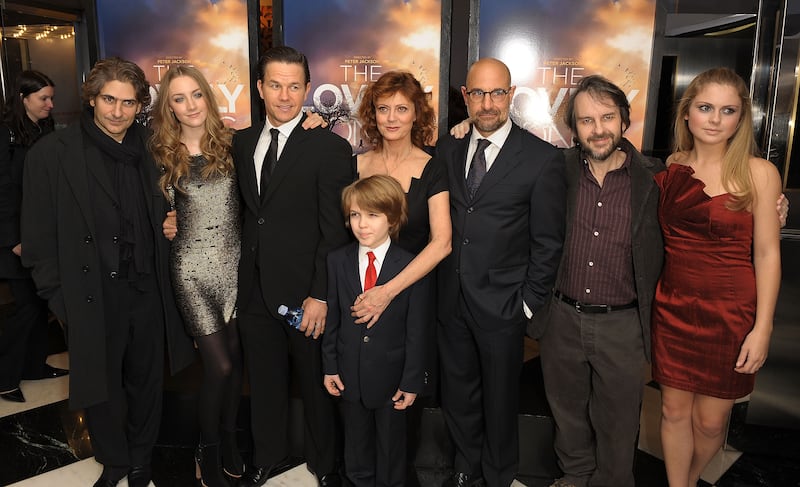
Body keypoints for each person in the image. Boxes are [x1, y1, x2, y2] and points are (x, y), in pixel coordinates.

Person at [20, 57, 195, 487]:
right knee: (100, 387)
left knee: (146, 382)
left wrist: (170, 223)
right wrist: (58, 299)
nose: (117, 112)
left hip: (147, 288)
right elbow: (38, 235)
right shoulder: (52, 154)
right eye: (108, 100)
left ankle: (140, 460)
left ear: (140, 105)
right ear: (92, 98)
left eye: (128, 103)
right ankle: (114, 459)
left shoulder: (155, 148)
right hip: (88, 292)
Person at [436, 58, 566, 487]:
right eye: (478, 93)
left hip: (505, 304)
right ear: (465, 97)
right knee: (458, 394)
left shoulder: (542, 158)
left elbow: (548, 242)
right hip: (450, 299)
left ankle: (497, 474)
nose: (487, 103)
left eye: (496, 93)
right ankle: (464, 465)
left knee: (499, 398)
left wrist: (527, 304)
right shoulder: (449, 148)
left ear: (511, 95)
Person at [529, 75, 664, 487]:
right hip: (562, 319)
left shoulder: (656, 179)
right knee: (566, 413)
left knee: (619, 423)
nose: (598, 128)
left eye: (607, 117)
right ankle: (574, 477)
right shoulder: (557, 169)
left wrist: (771, 203)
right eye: (586, 120)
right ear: (574, 128)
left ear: (624, 120)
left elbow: (708, 206)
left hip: (623, 326)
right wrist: (465, 125)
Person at [652, 67, 781, 487]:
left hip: (730, 315)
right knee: (672, 411)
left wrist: (762, 329)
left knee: (710, 423)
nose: (714, 119)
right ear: (687, 113)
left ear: (740, 118)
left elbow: (767, 255)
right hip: (672, 308)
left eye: (727, 110)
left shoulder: (759, 173)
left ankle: (688, 480)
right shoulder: (671, 167)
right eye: (705, 108)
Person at [233, 46, 352, 487]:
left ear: (307, 89)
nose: (285, 96)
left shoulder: (330, 148)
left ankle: (325, 465)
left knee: (317, 384)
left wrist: (320, 294)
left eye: (295, 86)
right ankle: (267, 455)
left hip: (307, 293)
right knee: (263, 382)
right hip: (255, 290)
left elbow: (335, 232)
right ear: (261, 88)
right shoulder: (241, 142)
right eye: (276, 85)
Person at [150, 65, 243, 487]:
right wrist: (167, 223)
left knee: (235, 363)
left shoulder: (235, 144)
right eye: (178, 98)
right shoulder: (159, 153)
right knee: (219, 367)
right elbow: (150, 215)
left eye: (195, 95)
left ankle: (228, 436)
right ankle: (207, 449)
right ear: (168, 107)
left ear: (208, 96)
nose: (189, 106)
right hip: (190, 270)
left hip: (236, 267)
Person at [323, 174, 430, 487]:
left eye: (372, 215)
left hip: (392, 382)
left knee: (391, 458)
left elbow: (417, 329)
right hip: (349, 377)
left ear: (393, 218)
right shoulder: (337, 261)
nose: (362, 224)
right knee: (356, 456)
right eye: (355, 215)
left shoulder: (410, 266)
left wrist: (411, 381)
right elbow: (334, 320)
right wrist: (330, 366)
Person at [0, 70, 68, 403]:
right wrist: (13, 239)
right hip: (13, 239)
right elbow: (4, 192)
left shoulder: (44, 129)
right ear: (23, 98)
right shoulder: (4, 134)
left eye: (51, 98)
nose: (50, 104)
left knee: (41, 303)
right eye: (44, 98)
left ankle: (34, 365)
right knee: (26, 306)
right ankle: (4, 377)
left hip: (39, 234)